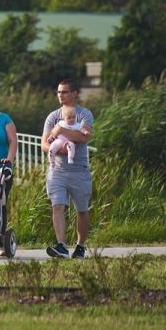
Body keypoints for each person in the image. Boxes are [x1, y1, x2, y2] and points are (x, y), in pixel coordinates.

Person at [41, 78, 94, 259]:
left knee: (82, 209)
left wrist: (61, 131)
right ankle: (62, 245)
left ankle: (80, 246)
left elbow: (83, 137)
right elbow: (44, 144)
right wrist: (57, 149)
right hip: (57, 171)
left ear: (74, 93)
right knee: (58, 206)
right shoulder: (52, 116)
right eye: (58, 92)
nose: (60, 95)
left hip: (79, 169)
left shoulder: (84, 114)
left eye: (64, 92)